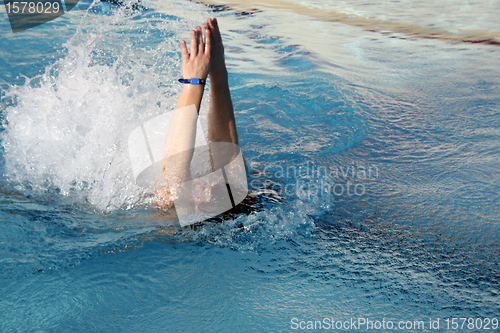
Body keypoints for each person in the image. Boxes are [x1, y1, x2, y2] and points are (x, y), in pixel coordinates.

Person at [154, 18, 242, 215]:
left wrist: (193, 83)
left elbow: (174, 170)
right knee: (234, 185)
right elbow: (228, 164)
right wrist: (218, 73)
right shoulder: (235, 207)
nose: (207, 185)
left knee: (173, 199)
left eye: (207, 190)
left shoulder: (177, 217)